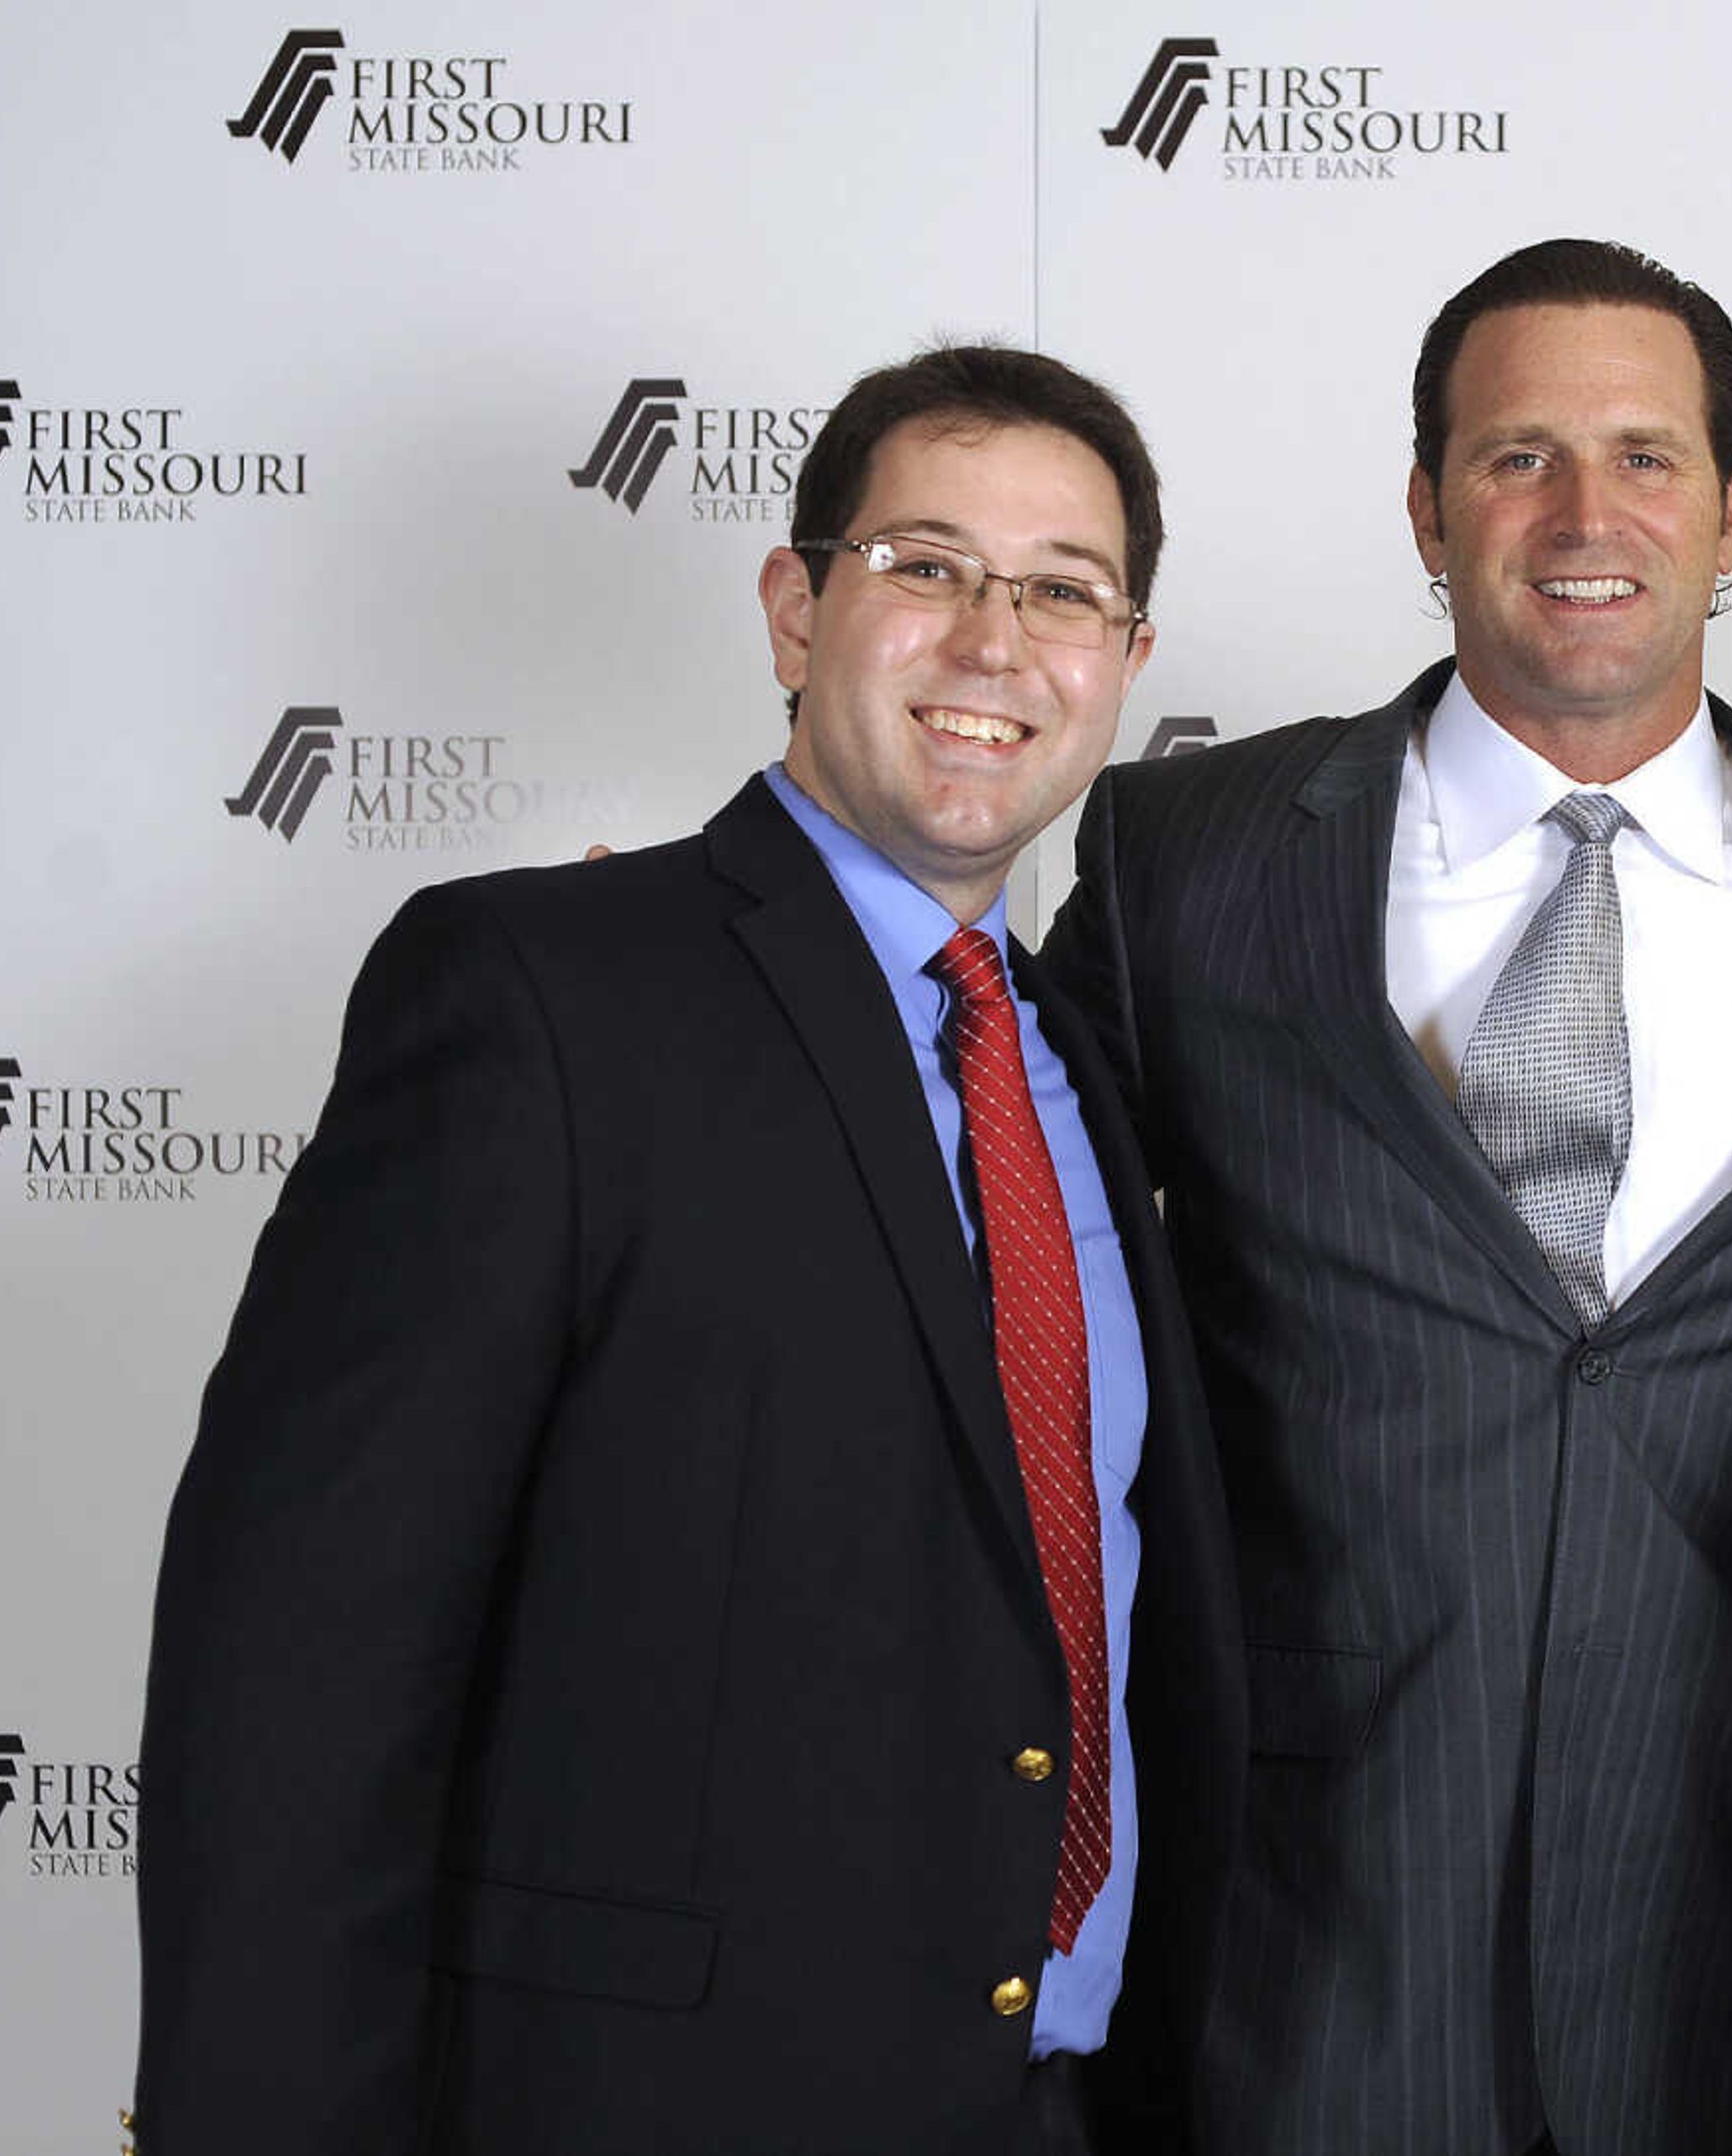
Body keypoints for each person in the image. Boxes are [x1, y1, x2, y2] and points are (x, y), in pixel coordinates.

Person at [134, 345, 1242, 2155]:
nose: (992, 640)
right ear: (797, 611)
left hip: (1060, 2104)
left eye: (1062, 591)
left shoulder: (1077, 1071)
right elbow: (298, 1686)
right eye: (927, 564)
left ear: (1121, 664)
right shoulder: (540, 997)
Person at [1039, 240, 1732, 2155]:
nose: (1589, 515)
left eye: (1650, 458)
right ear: (1425, 504)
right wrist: (762, 1036)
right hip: (1306, 1964)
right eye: (1518, 459)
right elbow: (987, 1178)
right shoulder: (1193, 860)